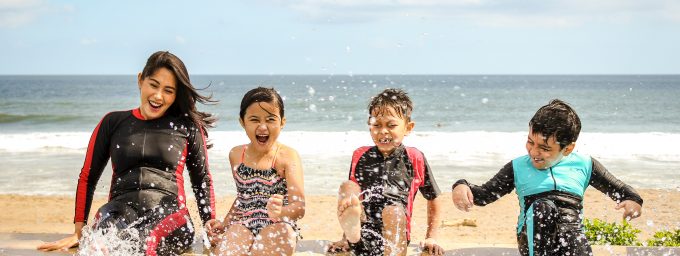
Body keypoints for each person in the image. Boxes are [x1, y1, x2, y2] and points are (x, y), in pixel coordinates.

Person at [37, 51, 217, 255]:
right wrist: (79, 232)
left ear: (176, 96)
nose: (158, 96)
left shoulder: (187, 127)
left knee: (145, 244)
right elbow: (88, 177)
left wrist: (210, 224)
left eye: (168, 90)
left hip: (170, 214)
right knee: (99, 245)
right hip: (118, 210)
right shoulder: (112, 122)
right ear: (140, 80)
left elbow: (202, 180)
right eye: (154, 84)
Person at [451, 99, 644, 256]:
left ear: (567, 149)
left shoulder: (584, 164)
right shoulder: (517, 167)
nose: (534, 152)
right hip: (534, 239)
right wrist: (462, 185)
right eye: (530, 142)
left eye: (544, 148)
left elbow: (620, 189)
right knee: (544, 207)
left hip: (571, 238)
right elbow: (485, 194)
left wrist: (633, 201)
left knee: (575, 238)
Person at [330, 88, 444, 256]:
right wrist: (345, 236)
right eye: (376, 125)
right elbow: (353, 204)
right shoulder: (360, 154)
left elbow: (433, 197)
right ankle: (350, 237)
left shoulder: (414, 157)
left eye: (391, 125)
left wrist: (431, 237)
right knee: (348, 187)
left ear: (408, 128)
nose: (383, 131)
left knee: (393, 211)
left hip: (395, 238)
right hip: (363, 235)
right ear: (369, 126)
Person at [205, 87, 305, 256]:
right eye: (254, 119)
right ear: (242, 122)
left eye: (271, 119)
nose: (263, 127)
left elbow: (299, 207)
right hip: (245, 224)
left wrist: (281, 212)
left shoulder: (287, 157)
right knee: (226, 252)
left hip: (279, 225)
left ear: (282, 122)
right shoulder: (237, 155)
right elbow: (243, 198)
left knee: (278, 238)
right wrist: (225, 224)